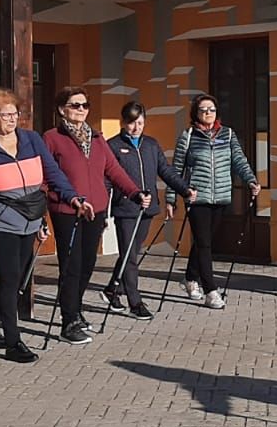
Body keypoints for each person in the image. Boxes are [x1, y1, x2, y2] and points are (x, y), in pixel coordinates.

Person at [0, 87, 81, 363]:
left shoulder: (32, 140)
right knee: (11, 276)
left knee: (16, 278)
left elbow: (52, 172)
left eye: (15, 113)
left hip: (29, 219)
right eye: (5, 114)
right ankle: (13, 342)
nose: (12, 119)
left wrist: (72, 197)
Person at [43, 86, 145, 344]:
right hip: (67, 210)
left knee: (87, 264)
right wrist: (52, 202)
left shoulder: (97, 138)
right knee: (71, 266)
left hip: (95, 209)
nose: (81, 110)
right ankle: (68, 322)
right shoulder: (52, 137)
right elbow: (45, 175)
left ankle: (76, 311)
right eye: (75, 105)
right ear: (61, 109)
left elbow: (114, 170)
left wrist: (134, 193)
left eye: (85, 105)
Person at [104, 101, 195, 320]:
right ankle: (135, 303)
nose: (136, 128)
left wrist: (185, 190)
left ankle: (111, 290)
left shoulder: (151, 145)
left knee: (131, 254)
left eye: (140, 123)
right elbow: (106, 180)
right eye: (131, 123)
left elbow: (165, 171)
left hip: (147, 208)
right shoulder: (112, 146)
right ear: (123, 122)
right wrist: (102, 213)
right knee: (130, 257)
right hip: (126, 208)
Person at [169, 93, 259, 310]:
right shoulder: (188, 135)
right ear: (196, 113)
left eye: (212, 109)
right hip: (196, 197)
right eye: (203, 110)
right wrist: (171, 199)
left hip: (220, 196)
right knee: (204, 243)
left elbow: (239, 160)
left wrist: (251, 180)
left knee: (204, 241)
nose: (208, 113)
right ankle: (211, 290)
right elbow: (176, 169)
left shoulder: (227, 134)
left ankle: (190, 278)